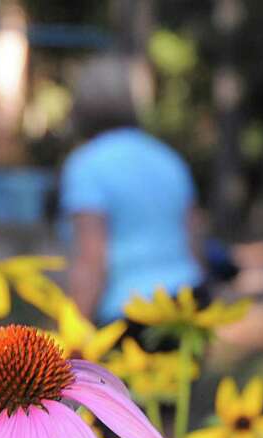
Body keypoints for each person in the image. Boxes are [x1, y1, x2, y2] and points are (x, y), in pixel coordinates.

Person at [60, 54, 205, 330]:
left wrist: (73, 335)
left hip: (128, 315)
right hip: (188, 304)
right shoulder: (167, 157)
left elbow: (92, 259)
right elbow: (194, 235)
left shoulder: (85, 166)